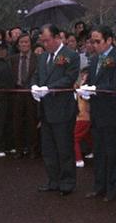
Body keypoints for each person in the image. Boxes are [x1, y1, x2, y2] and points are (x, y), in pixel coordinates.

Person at [31, 24, 80, 196]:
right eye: (42, 41)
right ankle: (53, 180)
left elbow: (69, 78)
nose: (45, 44)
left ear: (57, 37)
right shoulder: (43, 56)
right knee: (49, 149)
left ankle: (67, 182)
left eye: (47, 40)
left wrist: (49, 88)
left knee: (64, 147)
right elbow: (36, 75)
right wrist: (35, 86)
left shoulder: (71, 55)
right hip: (46, 109)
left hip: (62, 109)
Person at [81, 26, 116, 201]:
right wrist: (86, 89)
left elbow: (115, 83)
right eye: (92, 41)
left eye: (98, 41)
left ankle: (114, 189)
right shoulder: (94, 59)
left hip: (112, 112)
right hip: (97, 112)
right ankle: (99, 186)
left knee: (113, 152)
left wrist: (95, 89)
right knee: (99, 151)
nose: (94, 45)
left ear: (109, 40)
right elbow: (92, 80)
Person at [9, 33, 38, 158]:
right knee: (17, 122)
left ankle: (33, 149)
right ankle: (19, 149)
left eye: (26, 42)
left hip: (32, 93)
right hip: (17, 93)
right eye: (22, 42)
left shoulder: (38, 58)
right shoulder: (13, 59)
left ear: (30, 44)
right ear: (18, 44)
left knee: (32, 121)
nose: (24, 44)